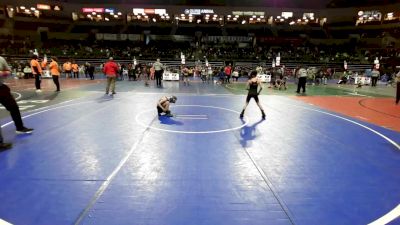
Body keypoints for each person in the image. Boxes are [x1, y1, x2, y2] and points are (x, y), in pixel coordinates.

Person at [0, 56, 34, 150]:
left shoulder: (1, 59)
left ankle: (20, 128)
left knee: (14, 107)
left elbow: (8, 71)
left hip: (1, 87)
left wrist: (2, 73)